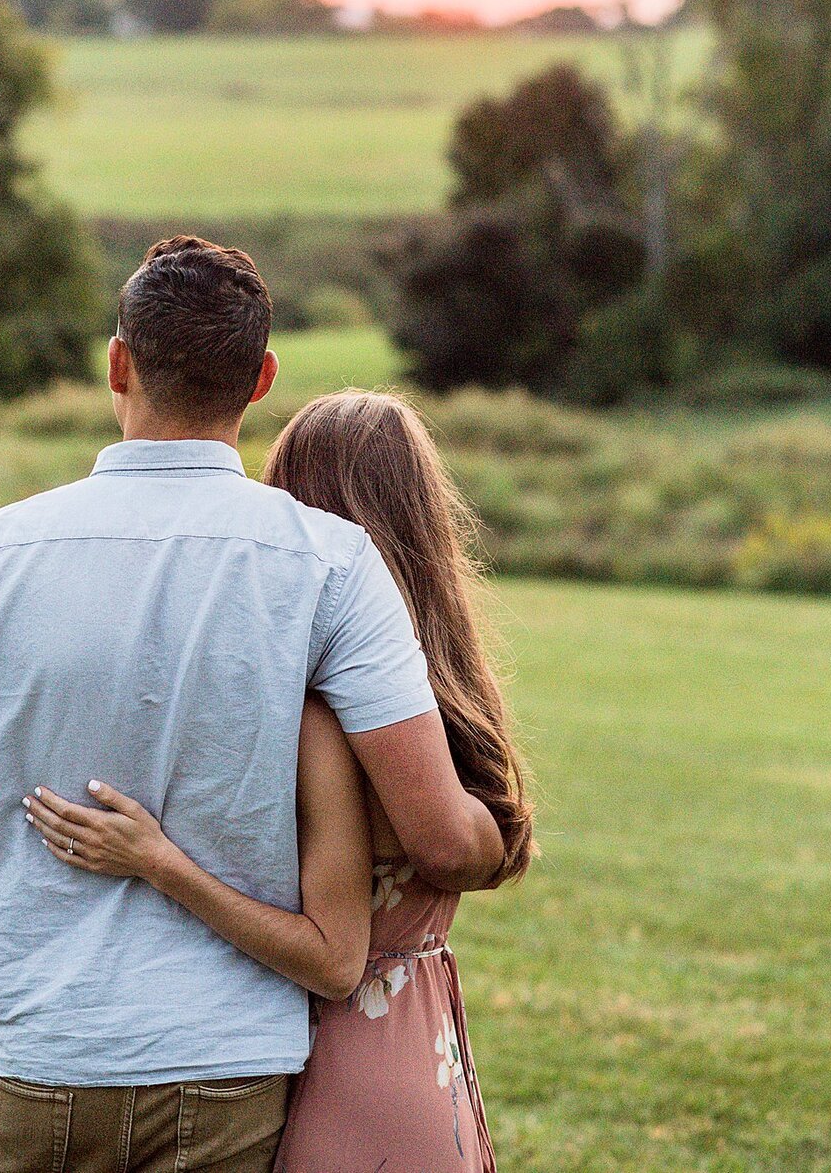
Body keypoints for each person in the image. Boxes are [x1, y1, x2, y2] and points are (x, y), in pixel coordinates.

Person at [0, 238, 503, 1173]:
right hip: (225, 1074)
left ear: (117, 362)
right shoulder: (335, 566)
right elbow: (439, 826)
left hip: (24, 1056)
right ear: (263, 379)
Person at [27, 390, 533, 1173]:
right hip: (403, 1048)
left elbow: (436, 853)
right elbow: (460, 847)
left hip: (330, 1054)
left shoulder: (311, 703)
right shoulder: (434, 700)